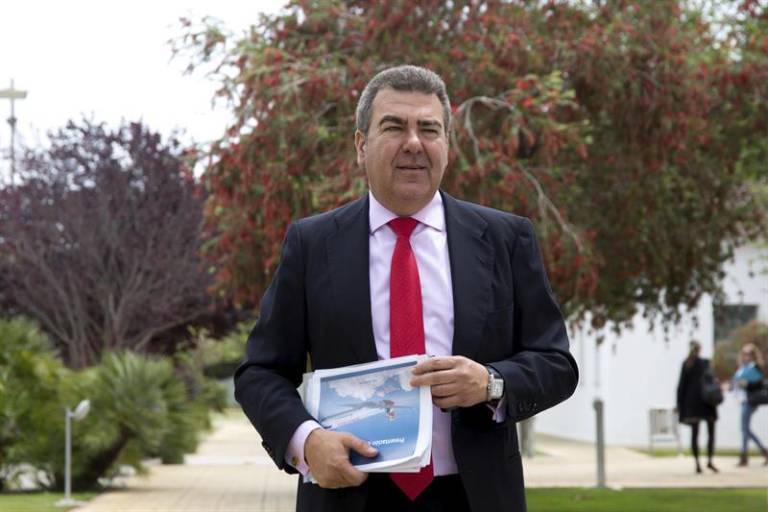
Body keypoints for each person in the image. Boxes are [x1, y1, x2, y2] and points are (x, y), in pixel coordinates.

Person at [234, 65, 578, 512]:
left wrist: (492, 383)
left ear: (447, 146)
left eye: (429, 129)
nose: (414, 143)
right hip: (349, 496)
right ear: (361, 145)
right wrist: (307, 440)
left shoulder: (505, 240)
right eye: (394, 127)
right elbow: (260, 372)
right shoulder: (312, 245)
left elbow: (556, 364)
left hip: (474, 497)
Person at [675, 341, 719, 474]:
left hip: (693, 402)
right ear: (699, 349)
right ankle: (709, 460)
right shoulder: (705, 363)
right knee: (710, 433)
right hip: (707, 402)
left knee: (695, 434)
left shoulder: (687, 364)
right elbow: (713, 381)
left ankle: (697, 464)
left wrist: (679, 405)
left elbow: (681, 386)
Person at [732, 342, 768, 467]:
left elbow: (759, 384)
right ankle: (750, 454)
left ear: (753, 355)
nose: (746, 356)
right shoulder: (742, 368)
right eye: (744, 353)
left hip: (751, 401)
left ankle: (750, 454)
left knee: (744, 428)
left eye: (749, 354)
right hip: (742, 400)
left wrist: (746, 384)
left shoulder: (755, 367)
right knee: (745, 428)